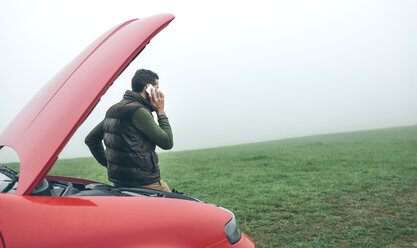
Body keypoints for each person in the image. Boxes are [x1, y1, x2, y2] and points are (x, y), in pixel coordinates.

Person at [85, 69, 173, 192]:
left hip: (119, 182)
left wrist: (107, 164)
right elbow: (167, 142)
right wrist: (161, 111)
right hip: (145, 183)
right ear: (148, 88)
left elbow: (91, 139)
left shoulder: (114, 109)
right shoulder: (139, 111)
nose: (158, 92)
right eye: (156, 88)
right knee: (176, 207)